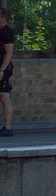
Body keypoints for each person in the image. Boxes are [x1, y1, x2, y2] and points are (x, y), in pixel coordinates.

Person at [0, 9, 13, 137]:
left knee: (4, 95)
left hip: (4, 68)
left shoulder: (6, 32)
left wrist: (2, 69)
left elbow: (9, 52)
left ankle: (8, 127)